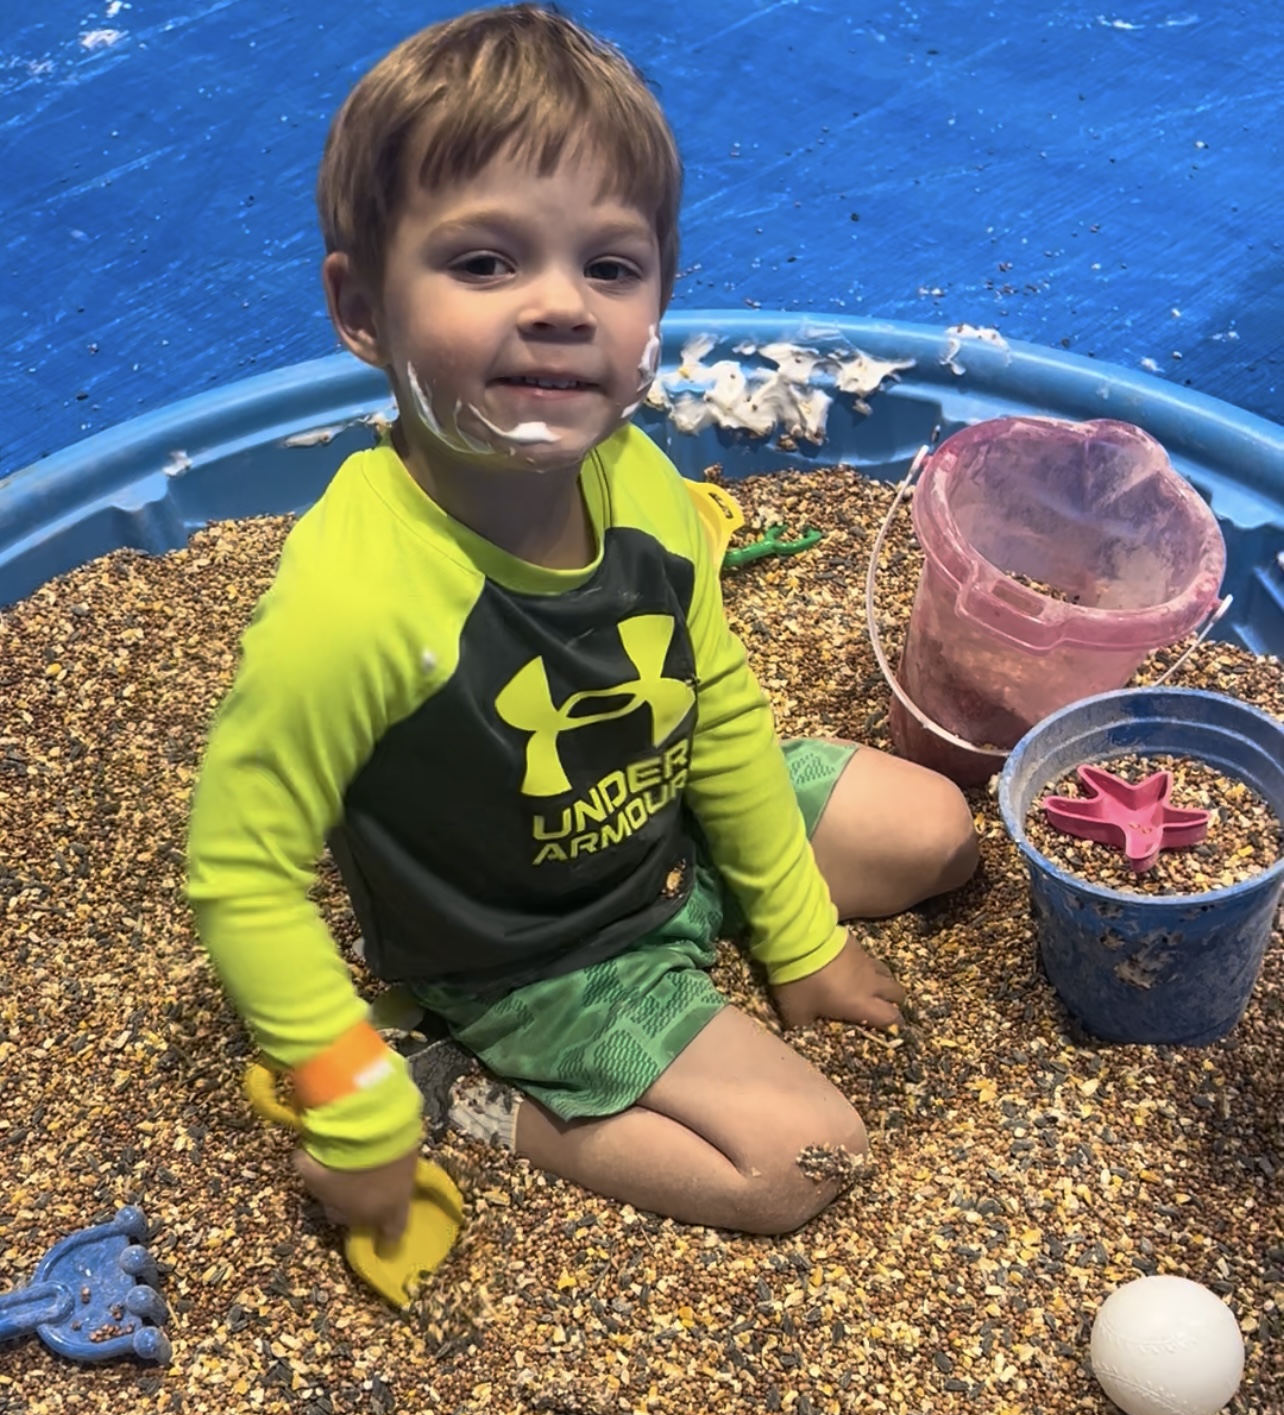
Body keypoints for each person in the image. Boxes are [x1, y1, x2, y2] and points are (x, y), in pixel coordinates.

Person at [185, 3, 977, 1247]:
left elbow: (713, 701)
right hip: (535, 951)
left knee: (941, 831)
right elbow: (239, 872)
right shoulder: (357, 602)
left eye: (609, 266)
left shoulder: (640, 479)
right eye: (485, 262)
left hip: (666, 834)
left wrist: (798, 935)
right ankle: (468, 1089)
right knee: (804, 1157)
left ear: (659, 297)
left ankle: (722, 929)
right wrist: (358, 1110)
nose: (561, 304)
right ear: (361, 309)